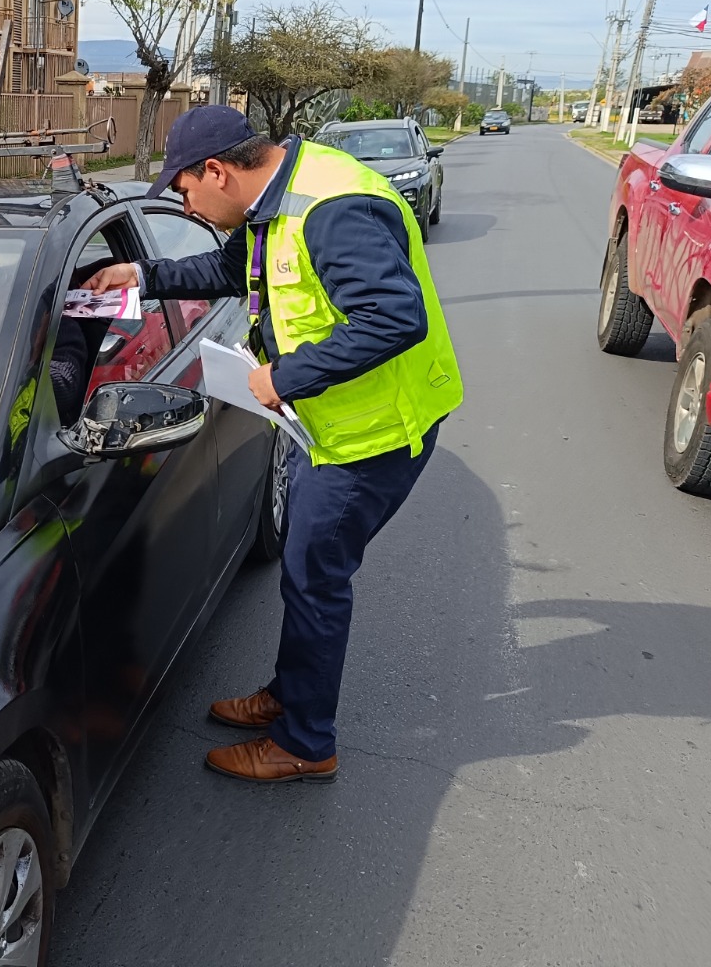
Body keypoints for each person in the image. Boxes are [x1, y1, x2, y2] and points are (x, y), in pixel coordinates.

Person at [86, 105, 464, 783]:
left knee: (315, 580)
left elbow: (393, 317)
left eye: (183, 189)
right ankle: (290, 697)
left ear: (218, 171)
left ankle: (305, 743)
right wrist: (140, 277)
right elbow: (227, 271)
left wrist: (286, 375)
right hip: (331, 426)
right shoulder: (273, 204)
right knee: (304, 571)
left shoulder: (331, 209)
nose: (185, 202)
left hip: (373, 436)